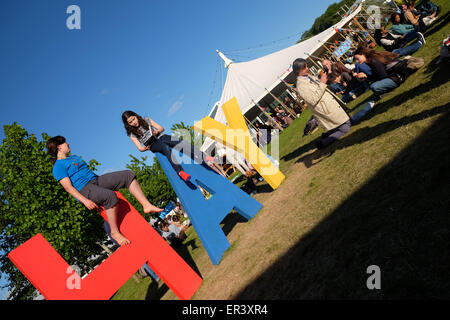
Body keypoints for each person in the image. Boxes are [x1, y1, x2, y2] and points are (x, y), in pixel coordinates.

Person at [46, 135, 163, 246]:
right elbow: (68, 187)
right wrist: (85, 201)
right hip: (84, 189)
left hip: (96, 180)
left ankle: (146, 205)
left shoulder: (74, 157)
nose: (68, 143)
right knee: (110, 196)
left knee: (128, 174)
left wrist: (106, 183)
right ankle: (115, 232)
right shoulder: (58, 166)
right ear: (59, 147)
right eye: (65, 142)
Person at [122, 110, 218, 182]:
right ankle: (180, 172)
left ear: (136, 116)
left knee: (181, 142)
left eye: (133, 119)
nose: (134, 122)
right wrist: (145, 148)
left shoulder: (146, 119)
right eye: (130, 122)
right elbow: (139, 148)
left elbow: (161, 128)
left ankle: (204, 156)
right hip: (152, 144)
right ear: (128, 124)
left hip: (160, 136)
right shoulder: (131, 133)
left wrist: (157, 131)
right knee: (165, 147)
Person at [292, 58, 351, 149]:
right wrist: (322, 83)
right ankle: (323, 143)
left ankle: (329, 134)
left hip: (331, 103)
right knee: (346, 127)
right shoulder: (301, 86)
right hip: (326, 108)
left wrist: (325, 80)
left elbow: (320, 87)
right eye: (305, 67)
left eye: (307, 66)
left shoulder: (308, 76)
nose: (307, 68)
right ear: (298, 70)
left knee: (347, 121)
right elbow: (312, 100)